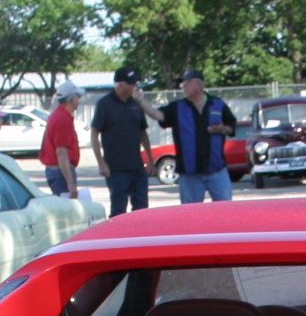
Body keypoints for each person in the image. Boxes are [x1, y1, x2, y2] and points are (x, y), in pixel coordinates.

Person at [140, 68, 237, 204]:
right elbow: (157, 115)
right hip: (189, 173)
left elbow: (232, 126)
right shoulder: (178, 107)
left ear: (198, 84)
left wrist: (222, 129)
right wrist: (140, 100)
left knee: (225, 209)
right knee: (190, 215)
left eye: (186, 83)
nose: (183, 87)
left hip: (217, 170)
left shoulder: (218, 104)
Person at [90, 67, 153, 215]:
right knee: (119, 210)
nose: (134, 86)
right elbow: (94, 134)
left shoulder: (136, 103)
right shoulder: (104, 104)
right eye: (131, 83)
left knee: (142, 210)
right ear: (120, 85)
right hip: (115, 168)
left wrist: (150, 159)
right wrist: (101, 162)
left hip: (137, 167)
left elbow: (143, 133)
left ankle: (139, 236)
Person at [41, 80, 84, 199]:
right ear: (71, 99)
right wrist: (70, 183)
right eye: (77, 97)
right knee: (66, 212)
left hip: (58, 171)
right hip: (60, 172)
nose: (79, 100)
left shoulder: (59, 115)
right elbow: (61, 152)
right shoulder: (62, 119)